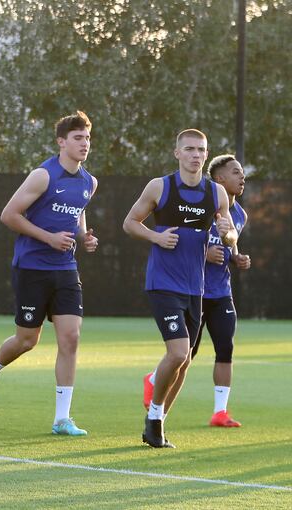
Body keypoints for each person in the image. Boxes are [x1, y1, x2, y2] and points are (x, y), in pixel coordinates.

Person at [0, 111, 98, 437]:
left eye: (87, 138)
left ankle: (61, 419)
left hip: (66, 269)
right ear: (61, 142)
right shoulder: (43, 175)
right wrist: (49, 238)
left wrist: (84, 236)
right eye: (78, 138)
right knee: (27, 340)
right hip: (32, 267)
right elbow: (9, 215)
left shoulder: (89, 182)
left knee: (71, 338)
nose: (84, 144)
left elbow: (79, 214)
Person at [123, 129, 237, 448]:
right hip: (162, 282)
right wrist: (156, 237)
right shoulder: (160, 186)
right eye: (189, 149)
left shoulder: (216, 193)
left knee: (184, 360)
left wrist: (228, 235)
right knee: (177, 352)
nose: (195, 155)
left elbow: (230, 238)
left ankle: (156, 422)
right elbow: (130, 222)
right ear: (177, 153)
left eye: (201, 149)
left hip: (195, 287)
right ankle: (155, 416)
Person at [142, 155, 249, 428]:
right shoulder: (201, 199)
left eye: (242, 173)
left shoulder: (238, 214)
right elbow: (186, 243)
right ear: (220, 179)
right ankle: (155, 386)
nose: (242, 177)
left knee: (225, 347)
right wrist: (205, 254)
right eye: (236, 172)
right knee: (184, 355)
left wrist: (235, 254)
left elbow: (231, 242)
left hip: (219, 291)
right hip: (188, 286)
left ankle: (219, 412)